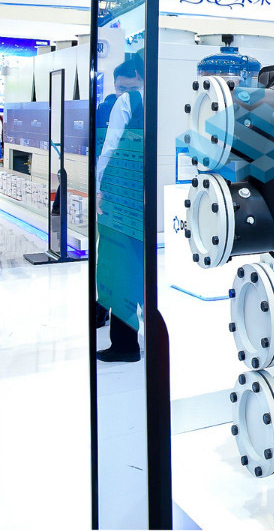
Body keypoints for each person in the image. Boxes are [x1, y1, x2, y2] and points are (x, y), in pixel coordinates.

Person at [95, 56, 146, 362]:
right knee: (139, 265)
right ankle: (142, 335)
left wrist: (99, 187)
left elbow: (110, 146)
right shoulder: (161, 100)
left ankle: (125, 345)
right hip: (145, 194)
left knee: (119, 265)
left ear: (136, 74)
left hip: (120, 194)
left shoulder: (127, 101)